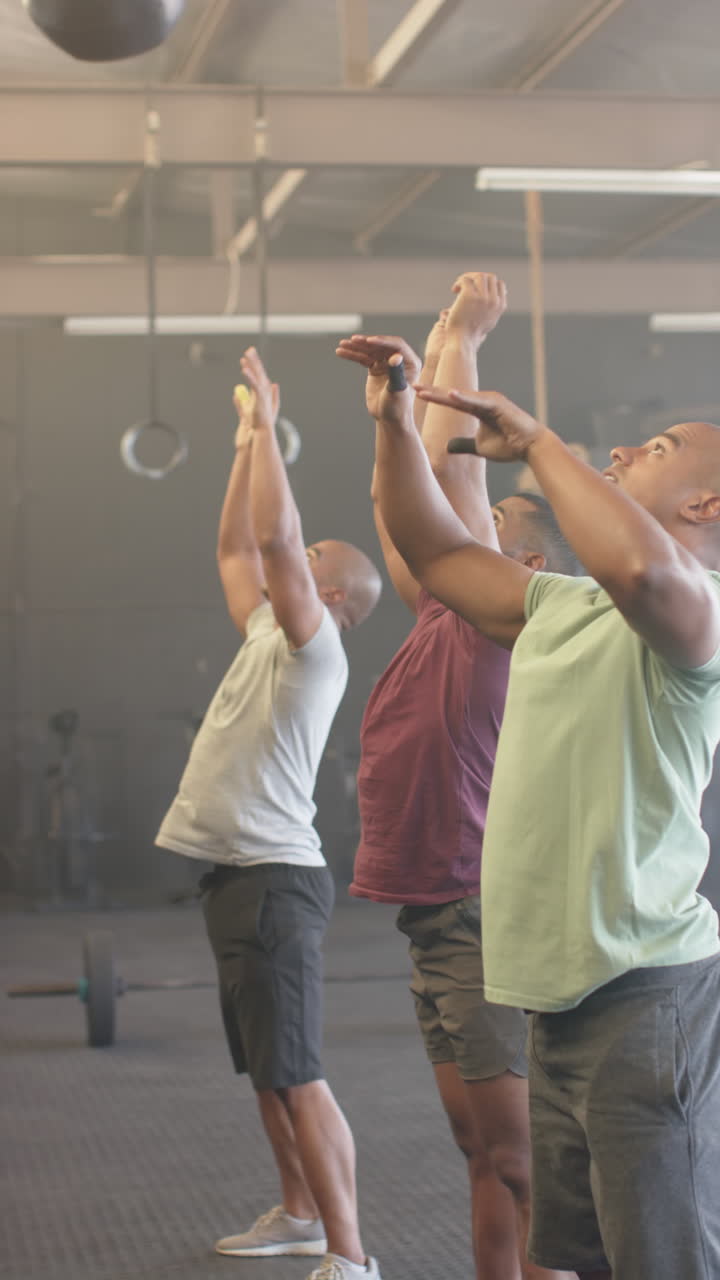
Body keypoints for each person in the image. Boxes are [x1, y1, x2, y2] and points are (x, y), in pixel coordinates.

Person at [350, 337, 720, 1280]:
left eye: (659, 447)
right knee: (580, 1256)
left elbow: (647, 574)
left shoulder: (703, 608)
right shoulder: (561, 606)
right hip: (553, 1000)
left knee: (662, 1260)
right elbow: (435, 551)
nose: (628, 451)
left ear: (705, 506)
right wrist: (395, 427)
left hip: (648, 997)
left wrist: (538, 442)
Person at [337, 274, 577, 1280]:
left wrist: (462, 340)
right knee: (483, 1156)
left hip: (481, 910)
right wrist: (410, 380)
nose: (460, 520)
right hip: (434, 915)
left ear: (517, 554)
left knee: (527, 1168)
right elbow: (414, 502)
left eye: (486, 519)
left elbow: (449, 479)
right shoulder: (447, 607)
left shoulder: (514, 611)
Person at [156, 347, 383, 1280]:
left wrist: (270, 441)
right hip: (234, 877)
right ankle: (297, 1212)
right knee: (267, 1067)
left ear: (328, 597)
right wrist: (250, 440)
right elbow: (237, 550)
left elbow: (278, 544)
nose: (300, 549)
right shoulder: (264, 626)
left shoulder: (316, 647)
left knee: (298, 1069)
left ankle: (351, 1253)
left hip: (278, 880)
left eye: (314, 556)